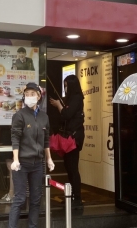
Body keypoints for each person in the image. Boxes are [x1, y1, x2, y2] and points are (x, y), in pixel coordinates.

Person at [9, 83, 54, 228]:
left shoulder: (44, 117)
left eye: (32, 94)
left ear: (39, 96)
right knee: (20, 199)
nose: (29, 97)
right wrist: (15, 160)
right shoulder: (19, 115)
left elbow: (46, 140)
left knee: (36, 199)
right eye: (27, 94)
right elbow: (15, 138)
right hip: (22, 164)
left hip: (37, 164)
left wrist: (49, 159)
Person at [49, 74, 85, 209]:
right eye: (64, 86)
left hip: (73, 139)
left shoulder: (76, 98)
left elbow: (66, 115)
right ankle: (71, 195)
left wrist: (58, 105)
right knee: (69, 168)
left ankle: (77, 197)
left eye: (66, 86)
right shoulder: (72, 98)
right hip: (70, 138)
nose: (65, 88)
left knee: (73, 168)